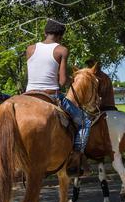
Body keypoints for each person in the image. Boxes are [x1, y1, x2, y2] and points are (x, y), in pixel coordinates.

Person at [25, 19, 91, 173]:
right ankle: (76, 158)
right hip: (51, 96)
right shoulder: (61, 50)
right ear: (61, 36)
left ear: (45, 33)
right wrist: (71, 80)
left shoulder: (30, 49)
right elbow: (61, 81)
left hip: (28, 95)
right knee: (84, 121)